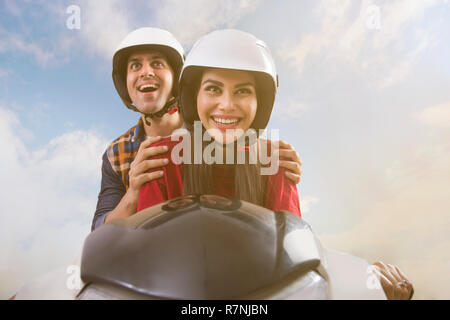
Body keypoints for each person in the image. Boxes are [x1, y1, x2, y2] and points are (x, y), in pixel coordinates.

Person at [135, 29, 414, 300]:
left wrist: (361, 275)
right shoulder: (160, 158)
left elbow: (297, 256)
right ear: (194, 96)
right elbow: (145, 259)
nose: (227, 105)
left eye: (242, 91)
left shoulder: (276, 163)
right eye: (213, 89)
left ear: (261, 103)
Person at [92, 27, 303, 230]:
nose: (227, 105)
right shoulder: (119, 155)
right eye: (135, 66)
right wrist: (133, 194)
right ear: (194, 96)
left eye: (157, 63)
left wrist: (270, 159)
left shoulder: (270, 160)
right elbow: (103, 235)